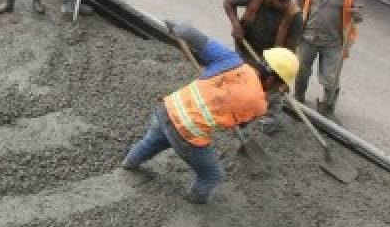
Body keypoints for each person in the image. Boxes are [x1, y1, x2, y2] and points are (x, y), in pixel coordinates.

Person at [122, 20, 298, 203]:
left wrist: (175, 26)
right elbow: (241, 124)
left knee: (152, 142)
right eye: (279, 85)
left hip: (168, 108)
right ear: (270, 81)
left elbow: (192, 34)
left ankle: (129, 163)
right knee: (212, 175)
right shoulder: (259, 104)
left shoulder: (232, 60)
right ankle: (194, 203)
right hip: (187, 132)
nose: (277, 89)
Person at [222, 0, 302, 134]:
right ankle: (236, 111)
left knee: (272, 91)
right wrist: (235, 24)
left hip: (272, 58)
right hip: (246, 47)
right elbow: (228, 2)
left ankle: (270, 120)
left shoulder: (294, 16)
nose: (285, 2)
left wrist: (284, 80)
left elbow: (290, 50)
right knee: (240, 80)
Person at [295, 0, 363, 117]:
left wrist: (357, 14)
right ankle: (298, 99)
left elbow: (360, 15)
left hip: (334, 42)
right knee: (301, 71)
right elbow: (298, 6)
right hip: (308, 37)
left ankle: (327, 108)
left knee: (331, 79)